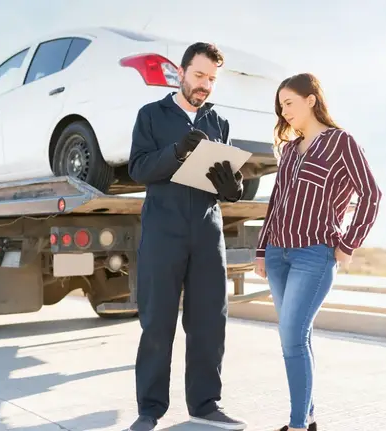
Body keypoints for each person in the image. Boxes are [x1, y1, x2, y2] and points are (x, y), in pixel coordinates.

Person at [127, 42, 247, 431]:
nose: (205, 85)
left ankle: (206, 404)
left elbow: (226, 177)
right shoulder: (151, 115)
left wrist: (233, 188)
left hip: (207, 230)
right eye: (199, 76)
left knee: (210, 320)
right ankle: (149, 410)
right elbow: (139, 169)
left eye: (211, 79)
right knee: (158, 320)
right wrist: (177, 151)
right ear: (181, 72)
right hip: (164, 230)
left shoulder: (218, 123)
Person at [254, 73, 383, 431]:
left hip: (314, 255)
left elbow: (371, 195)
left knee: (292, 338)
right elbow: (276, 203)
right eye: (280, 106)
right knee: (297, 337)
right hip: (279, 255)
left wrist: (347, 244)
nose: (284, 111)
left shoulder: (342, 143)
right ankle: (307, 419)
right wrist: (263, 250)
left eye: (289, 102)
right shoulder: (291, 151)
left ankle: (297, 426)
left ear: (311, 99)